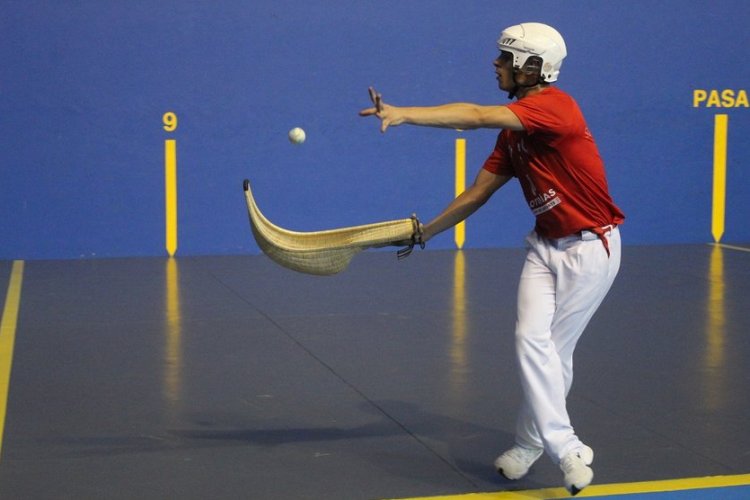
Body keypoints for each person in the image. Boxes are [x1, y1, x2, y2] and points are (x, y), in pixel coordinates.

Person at [360, 22, 624, 496]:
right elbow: (478, 193)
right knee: (531, 341)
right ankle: (555, 445)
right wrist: (425, 233)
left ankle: (545, 446)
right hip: (544, 248)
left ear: (532, 67)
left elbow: (477, 115)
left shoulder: (556, 108)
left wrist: (403, 114)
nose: (496, 64)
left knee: (553, 353)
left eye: (505, 58)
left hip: (591, 248)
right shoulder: (516, 134)